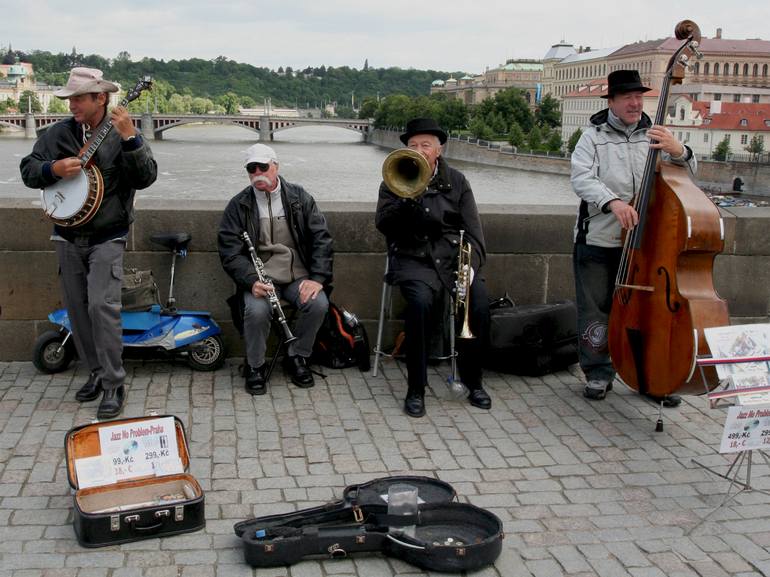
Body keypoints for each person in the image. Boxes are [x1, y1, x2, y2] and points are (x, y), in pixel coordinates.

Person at [20, 67, 157, 419]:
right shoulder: (56, 135)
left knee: (102, 307)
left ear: (101, 97)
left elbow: (145, 178)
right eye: (70, 99)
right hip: (66, 234)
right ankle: (95, 372)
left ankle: (114, 383)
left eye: (79, 98)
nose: (72, 105)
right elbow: (28, 170)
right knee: (78, 312)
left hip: (107, 235)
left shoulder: (121, 132)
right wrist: (52, 170)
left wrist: (132, 140)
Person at [571, 69, 696, 405]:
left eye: (639, 97)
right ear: (611, 101)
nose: (635, 103)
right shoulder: (592, 136)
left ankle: (650, 374)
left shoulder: (656, 135)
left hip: (646, 246)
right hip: (599, 238)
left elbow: (688, 174)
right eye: (627, 97)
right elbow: (581, 177)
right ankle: (598, 372)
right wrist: (612, 202)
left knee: (647, 310)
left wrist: (679, 150)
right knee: (596, 310)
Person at [375, 117, 492, 418]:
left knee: (478, 303)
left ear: (438, 150)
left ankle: (473, 381)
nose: (419, 150)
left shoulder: (458, 181)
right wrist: (407, 199)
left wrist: (471, 269)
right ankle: (416, 388)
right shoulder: (394, 177)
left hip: (453, 259)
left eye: (425, 145)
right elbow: (384, 224)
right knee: (420, 304)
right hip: (414, 259)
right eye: (413, 145)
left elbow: (475, 236)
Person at [218, 143, 332, 395]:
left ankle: (298, 356)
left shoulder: (300, 198)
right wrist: (250, 281)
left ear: (276, 166)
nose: (258, 172)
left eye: (263, 166)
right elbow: (229, 252)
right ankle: (255, 366)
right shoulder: (238, 205)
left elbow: (321, 239)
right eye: (252, 168)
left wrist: (318, 279)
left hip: (297, 275)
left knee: (318, 304)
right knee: (257, 311)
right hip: (260, 278)